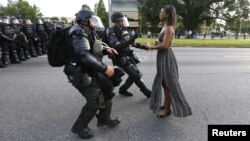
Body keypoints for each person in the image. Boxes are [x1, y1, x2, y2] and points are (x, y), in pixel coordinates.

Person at [64, 10, 120, 139]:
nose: (95, 22)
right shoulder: (77, 32)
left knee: (108, 91)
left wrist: (107, 50)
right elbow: (84, 55)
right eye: (92, 20)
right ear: (85, 21)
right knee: (94, 101)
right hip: (80, 72)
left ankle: (104, 119)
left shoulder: (89, 31)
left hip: (92, 70)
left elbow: (94, 49)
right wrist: (105, 68)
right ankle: (79, 127)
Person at [144, 5, 192, 118]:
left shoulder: (169, 28)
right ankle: (166, 104)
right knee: (163, 83)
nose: (160, 14)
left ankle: (167, 109)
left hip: (166, 57)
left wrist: (150, 47)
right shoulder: (165, 26)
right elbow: (164, 43)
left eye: (162, 12)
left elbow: (165, 46)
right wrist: (157, 43)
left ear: (168, 14)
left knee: (168, 83)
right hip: (162, 57)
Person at [105, 12, 151, 98]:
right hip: (120, 57)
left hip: (128, 55)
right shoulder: (111, 31)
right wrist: (130, 39)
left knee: (137, 74)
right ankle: (147, 92)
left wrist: (144, 47)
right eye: (121, 20)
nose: (123, 22)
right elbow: (116, 46)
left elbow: (132, 43)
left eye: (123, 20)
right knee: (135, 75)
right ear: (116, 21)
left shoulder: (124, 30)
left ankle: (123, 89)